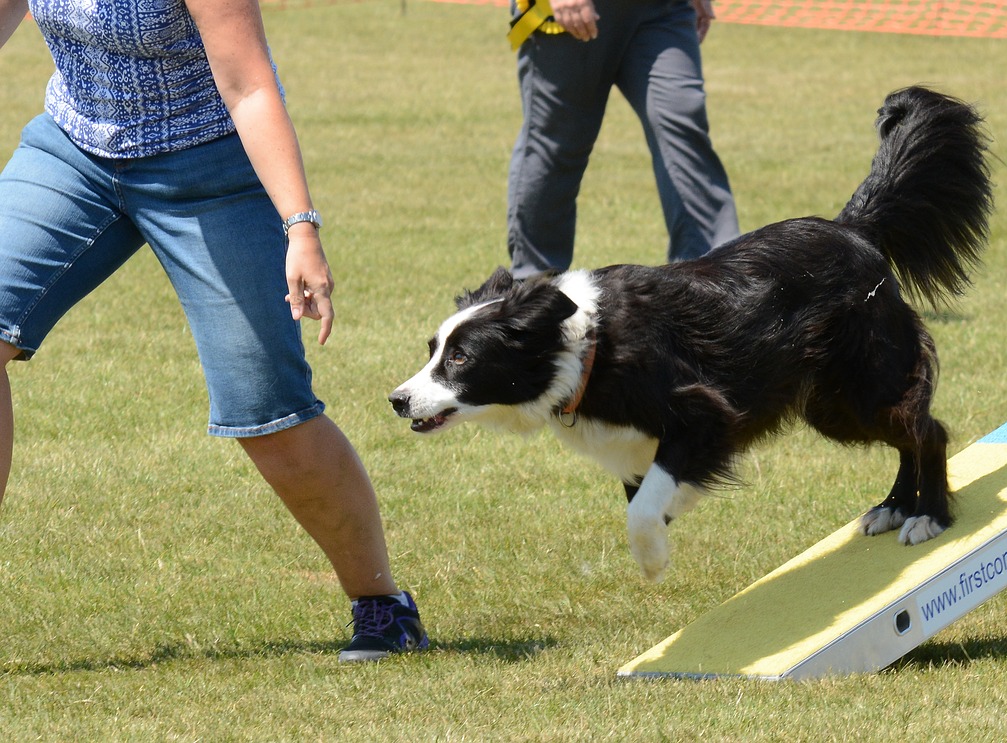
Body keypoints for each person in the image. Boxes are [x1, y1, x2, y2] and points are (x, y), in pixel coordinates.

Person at [0, 0, 424, 663]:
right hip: (76, 149)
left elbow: (249, 85)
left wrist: (300, 226)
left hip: (211, 168)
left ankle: (382, 605)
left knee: (268, 413)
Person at [506, 0, 739, 278]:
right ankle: (534, 290)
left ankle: (714, 279)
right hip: (570, 12)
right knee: (558, 145)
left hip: (663, 10)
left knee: (684, 129)